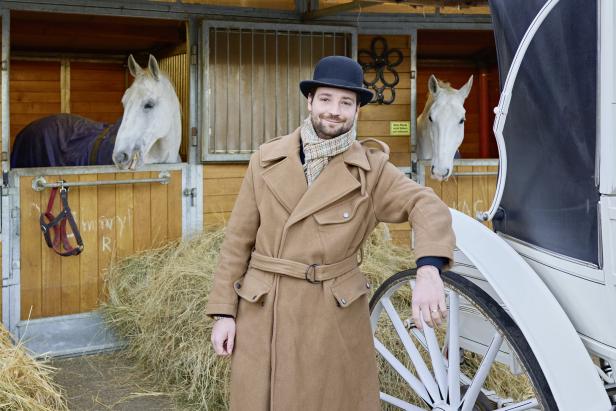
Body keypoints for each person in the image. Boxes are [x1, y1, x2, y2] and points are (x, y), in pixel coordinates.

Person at [206, 55, 455, 411]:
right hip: (264, 309)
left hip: (331, 315)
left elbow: (427, 205)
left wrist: (429, 270)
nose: (334, 111)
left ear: (357, 111)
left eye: (345, 102)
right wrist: (223, 314)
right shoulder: (264, 160)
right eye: (325, 99)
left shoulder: (371, 171)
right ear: (310, 102)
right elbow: (236, 243)